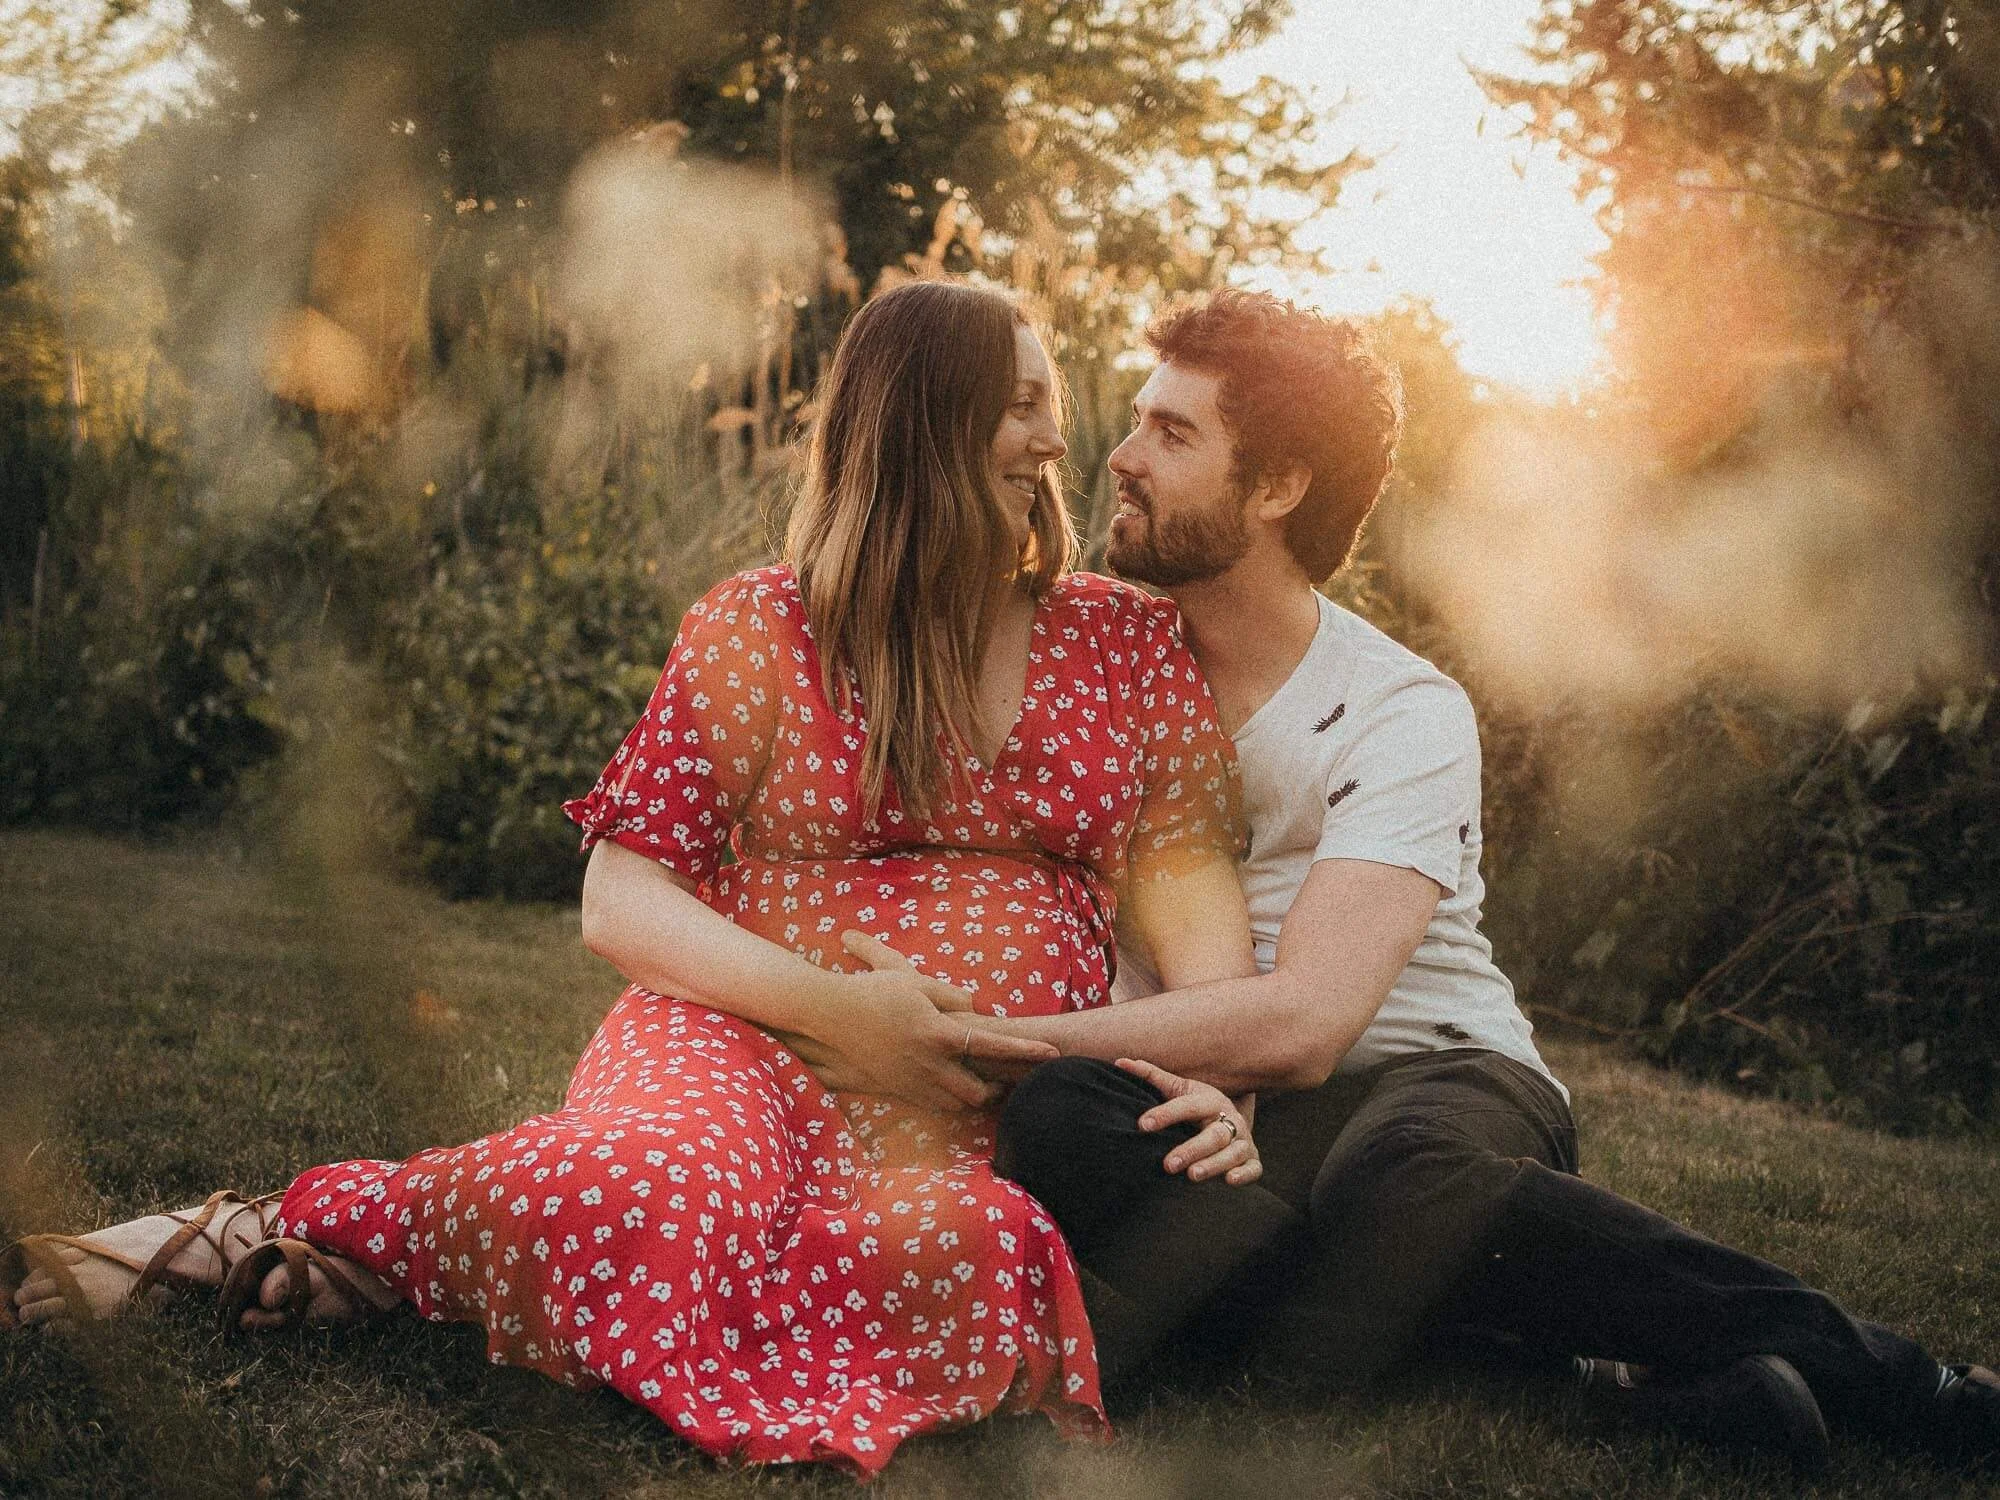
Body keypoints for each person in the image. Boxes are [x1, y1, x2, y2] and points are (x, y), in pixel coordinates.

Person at [1, 280, 1263, 1478]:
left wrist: (1221, 1097)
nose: (1061, 442)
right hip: (739, 1040)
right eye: (1023, 403)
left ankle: (449, 1276)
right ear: (922, 422)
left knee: (981, 1247)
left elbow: (1198, 929)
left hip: (964, 1105)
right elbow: (623, 894)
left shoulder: (1128, 644)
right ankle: (284, 1229)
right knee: (649, 1182)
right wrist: (839, 1014)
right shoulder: (762, 627)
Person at [853, 288, 1999, 1472]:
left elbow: (1306, 1023)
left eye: (1173, 435)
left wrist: (999, 1036)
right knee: (1060, 1122)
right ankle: (1607, 1395)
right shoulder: (1091, 667)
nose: (1120, 458)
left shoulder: (1398, 711)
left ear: (1277, 487)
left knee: (1394, 1183)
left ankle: (1903, 1382)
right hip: (1216, 1102)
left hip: (1432, 1079)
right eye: (1139, 421)